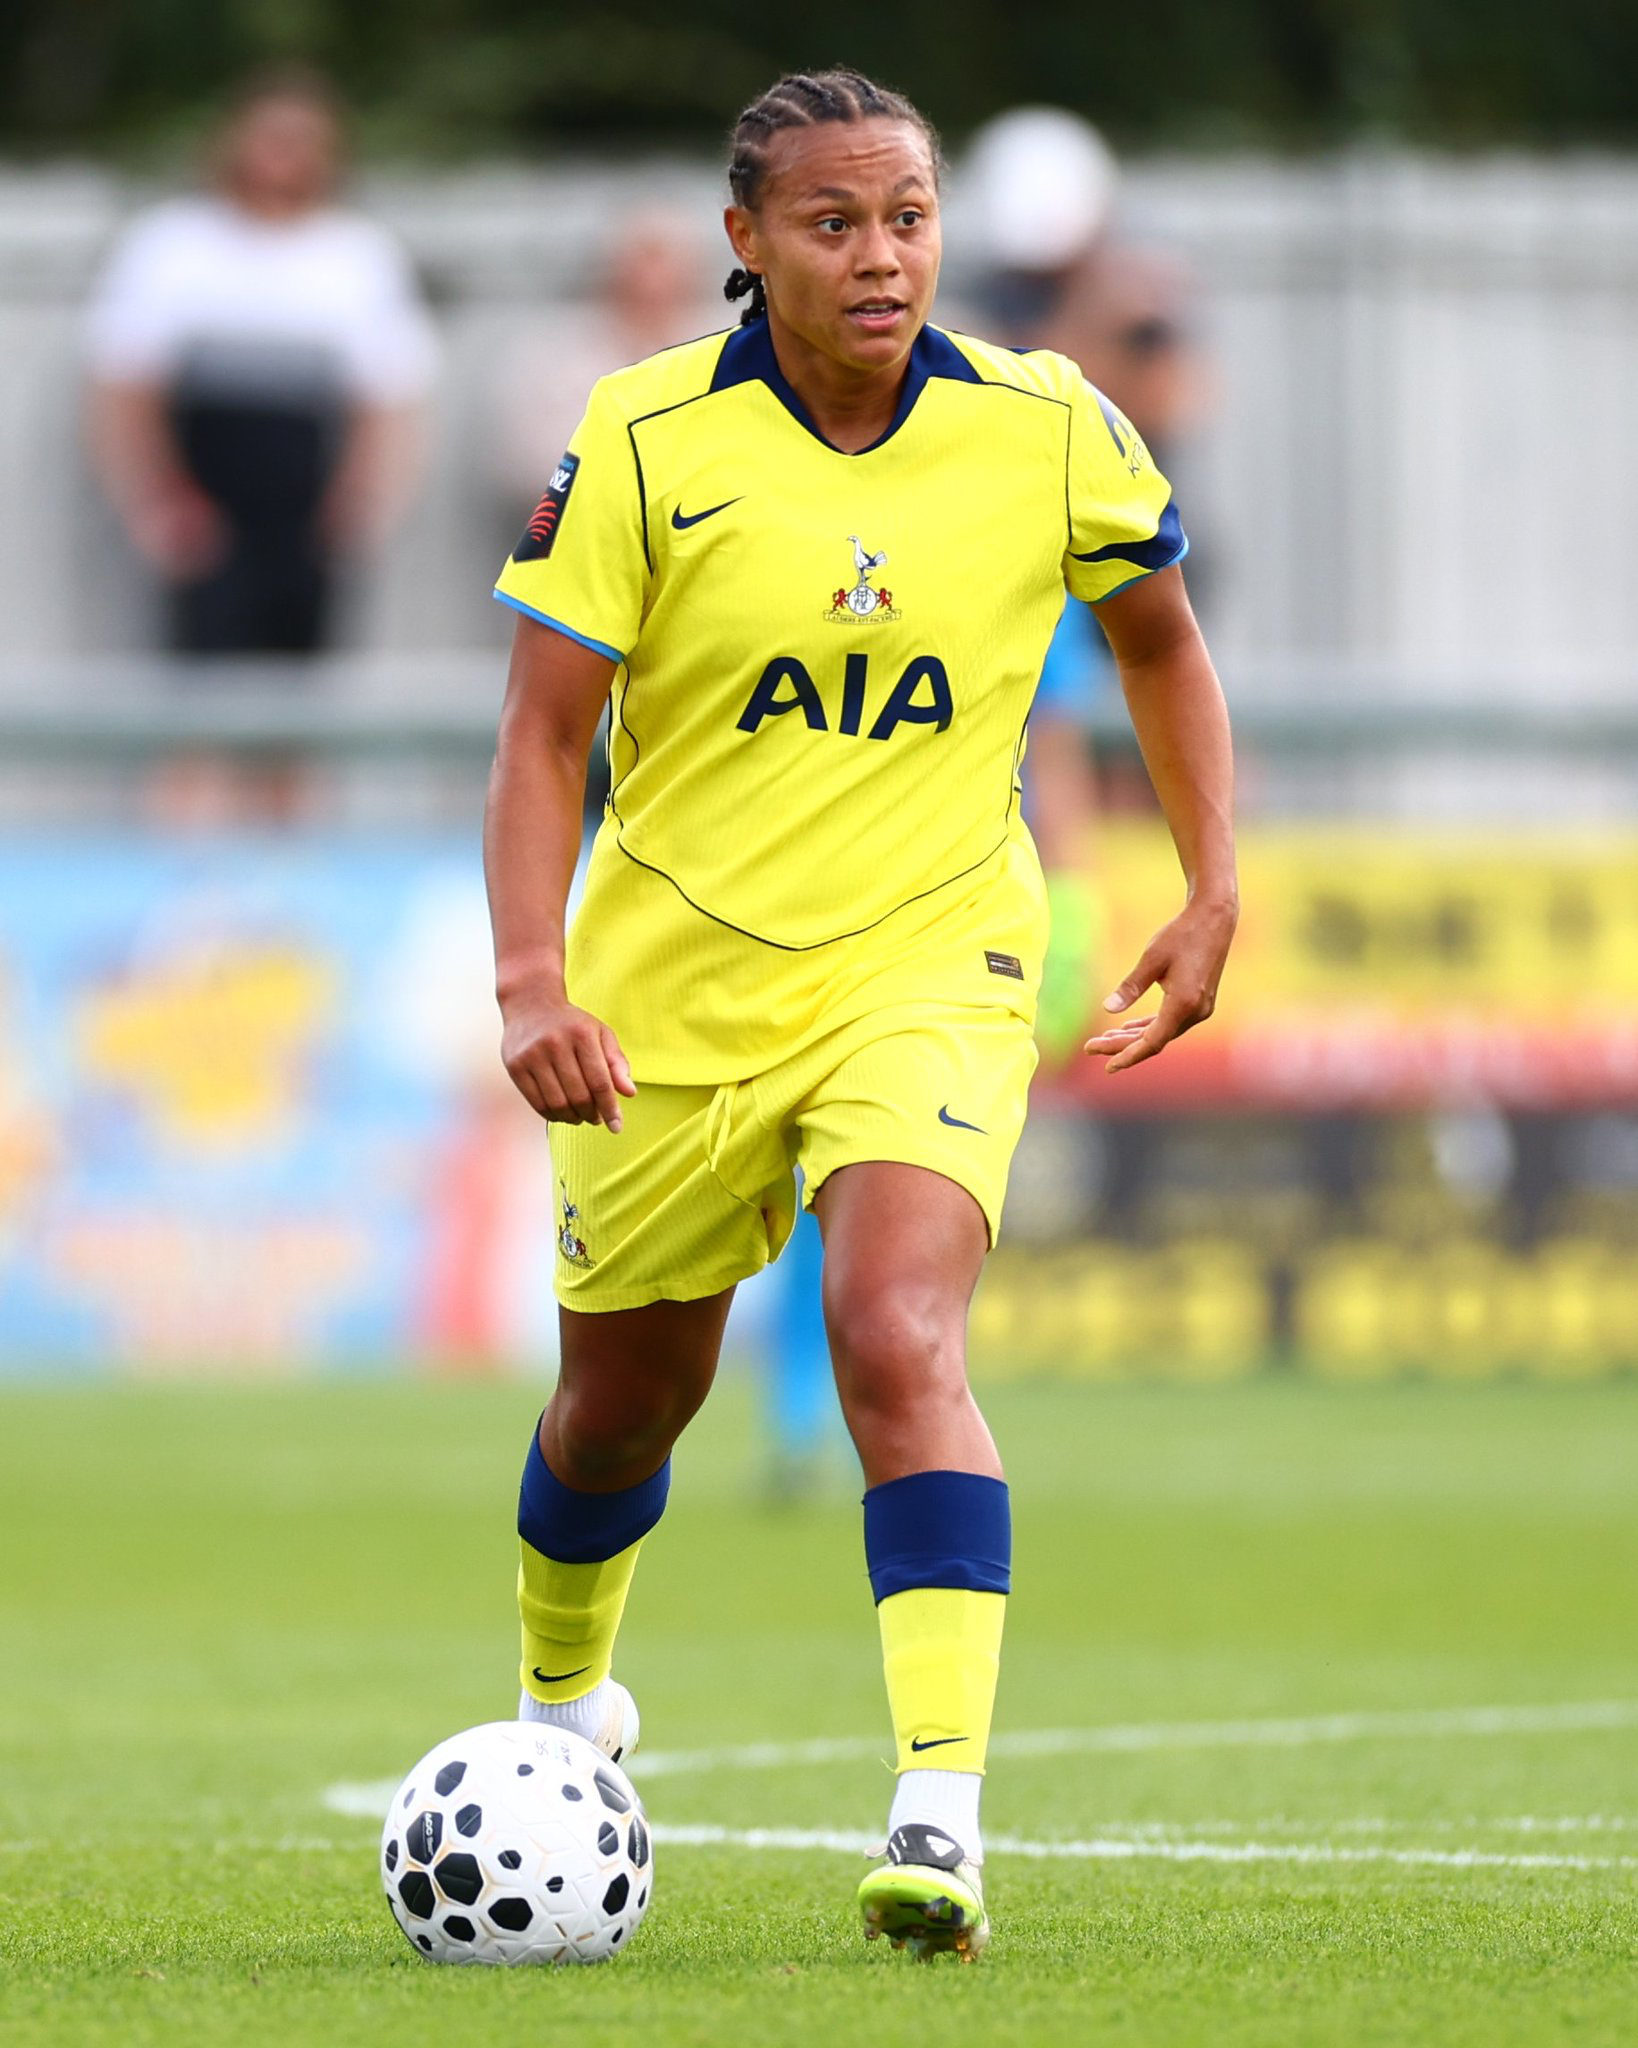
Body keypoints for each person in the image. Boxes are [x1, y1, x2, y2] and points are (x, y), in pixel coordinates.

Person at [483, 68, 1237, 1960]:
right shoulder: (643, 438)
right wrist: (532, 982)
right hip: (673, 991)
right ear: (746, 243)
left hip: (931, 957)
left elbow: (1156, 633)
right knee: (618, 1404)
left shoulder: (1044, 421)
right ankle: (564, 1700)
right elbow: (540, 738)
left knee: (895, 1327)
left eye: (904, 214)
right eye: (833, 221)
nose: (880, 252)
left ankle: (936, 1811)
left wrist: (1208, 874)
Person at [83, 67, 437, 657]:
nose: (285, 155)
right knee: (196, 704)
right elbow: (124, 387)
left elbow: (389, 400)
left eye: (303, 139)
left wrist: (361, 509)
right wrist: (155, 502)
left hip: (308, 515)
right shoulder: (172, 245)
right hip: (203, 509)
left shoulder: (357, 255)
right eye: (272, 136)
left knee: (298, 707)